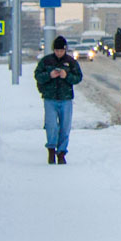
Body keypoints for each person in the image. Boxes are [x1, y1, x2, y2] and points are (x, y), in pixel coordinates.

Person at [34, 35, 84, 164]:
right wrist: (49, 75)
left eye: (61, 50)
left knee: (65, 127)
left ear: (65, 50)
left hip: (66, 98)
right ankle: (51, 149)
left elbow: (78, 77)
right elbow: (38, 75)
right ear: (53, 50)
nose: (59, 53)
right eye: (57, 50)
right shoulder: (46, 61)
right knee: (51, 125)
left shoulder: (71, 62)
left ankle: (61, 152)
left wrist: (66, 76)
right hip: (50, 98)